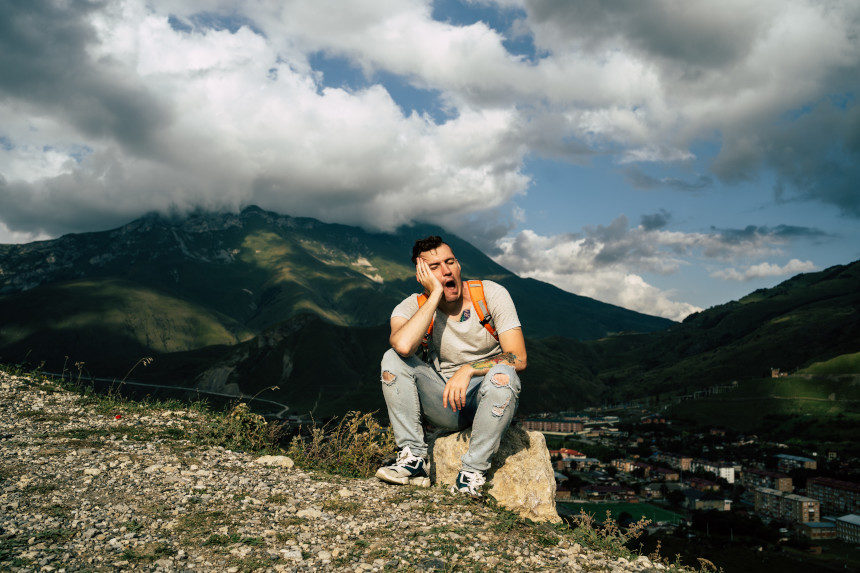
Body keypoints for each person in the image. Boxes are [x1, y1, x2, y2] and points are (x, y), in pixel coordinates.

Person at [376, 235, 526, 496]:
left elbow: (518, 357)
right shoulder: (412, 306)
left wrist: (468, 369)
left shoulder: (490, 294)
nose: (445, 270)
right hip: (444, 401)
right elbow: (403, 347)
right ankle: (413, 462)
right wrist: (435, 294)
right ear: (421, 275)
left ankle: (472, 474)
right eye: (434, 267)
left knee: (504, 374)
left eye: (450, 262)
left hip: (488, 397)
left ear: (459, 266)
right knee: (392, 358)